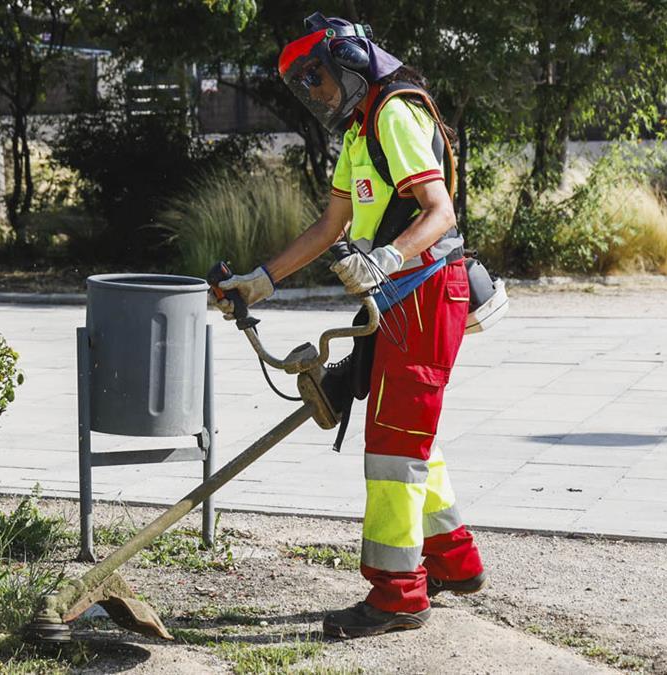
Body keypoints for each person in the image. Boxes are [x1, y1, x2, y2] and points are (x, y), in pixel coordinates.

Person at [213, 12, 486, 638]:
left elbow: (439, 210)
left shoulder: (394, 113)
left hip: (421, 292)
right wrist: (262, 280)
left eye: (318, 79)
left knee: (393, 448)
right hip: (393, 299)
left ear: (351, 62)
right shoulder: (360, 135)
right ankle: (455, 560)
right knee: (406, 432)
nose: (315, 94)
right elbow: (330, 227)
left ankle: (396, 596)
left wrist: (387, 258)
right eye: (304, 86)